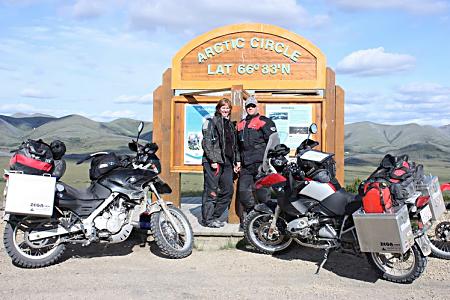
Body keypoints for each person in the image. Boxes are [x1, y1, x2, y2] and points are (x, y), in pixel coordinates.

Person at [237, 96, 279, 225]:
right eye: (248, 106)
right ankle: (251, 217)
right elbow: (237, 146)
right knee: (243, 192)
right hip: (246, 165)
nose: (250, 108)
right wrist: (238, 161)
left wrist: (270, 161)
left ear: (257, 107)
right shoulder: (240, 124)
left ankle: (265, 220)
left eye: (252, 106)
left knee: (262, 193)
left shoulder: (265, 122)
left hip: (261, 164)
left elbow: (274, 142)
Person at [201, 98, 241, 228]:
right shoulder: (211, 122)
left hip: (228, 162)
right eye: (223, 107)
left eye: (227, 108)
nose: (225, 110)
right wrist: (212, 160)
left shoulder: (230, 125)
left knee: (228, 190)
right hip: (214, 162)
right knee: (211, 191)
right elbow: (206, 143)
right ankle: (208, 219)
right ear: (218, 108)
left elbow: (234, 146)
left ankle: (214, 216)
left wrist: (237, 161)